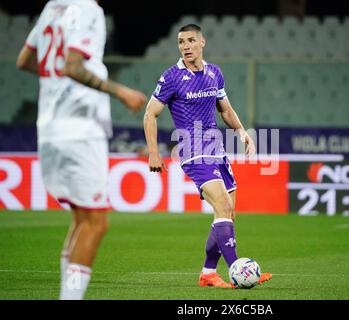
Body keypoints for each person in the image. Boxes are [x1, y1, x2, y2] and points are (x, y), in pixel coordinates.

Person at [16, 0, 147, 299]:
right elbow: (73, 66)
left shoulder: (52, 7)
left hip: (49, 128)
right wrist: (121, 91)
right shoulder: (89, 9)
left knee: (81, 219)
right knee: (97, 223)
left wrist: (58, 87)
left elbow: (24, 60)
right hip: (80, 131)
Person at [143, 24, 271, 288]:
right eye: (181, 42)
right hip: (192, 150)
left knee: (227, 213)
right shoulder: (171, 77)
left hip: (217, 149)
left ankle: (207, 274)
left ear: (203, 42)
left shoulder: (214, 73)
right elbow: (150, 113)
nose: (186, 46)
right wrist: (153, 152)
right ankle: (239, 272)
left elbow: (225, 109)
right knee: (223, 207)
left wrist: (241, 131)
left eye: (191, 40)